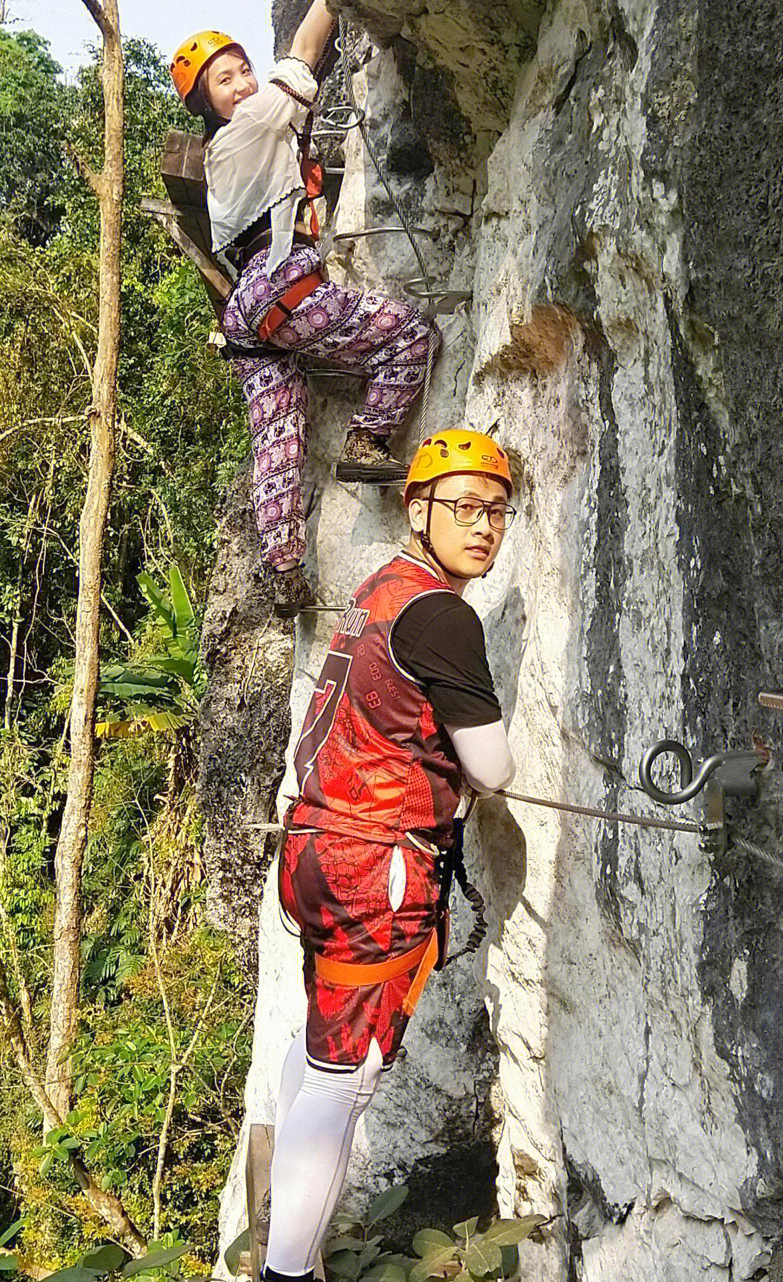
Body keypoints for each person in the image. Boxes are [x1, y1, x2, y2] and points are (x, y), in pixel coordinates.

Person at [263, 427, 517, 1281]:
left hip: (312, 847)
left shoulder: (381, 587)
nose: (483, 526)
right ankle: (287, 1271)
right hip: (377, 869)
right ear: (420, 509)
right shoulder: (442, 614)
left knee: (319, 1041)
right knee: (348, 1078)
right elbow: (492, 766)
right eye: (465, 507)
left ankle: (282, 1247)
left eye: (498, 511)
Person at [169, 5, 440, 617]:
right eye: (225, 81)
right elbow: (306, 48)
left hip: (247, 310)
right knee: (408, 336)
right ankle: (367, 441)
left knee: (278, 441)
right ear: (208, 105)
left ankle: (284, 571)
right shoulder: (256, 119)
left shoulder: (220, 154)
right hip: (281, 285)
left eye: (243, 70)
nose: (242, 84)